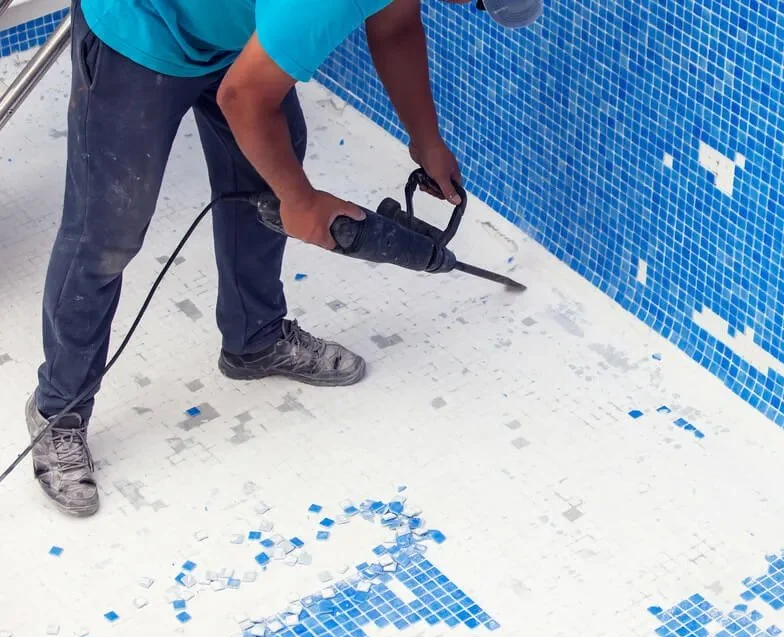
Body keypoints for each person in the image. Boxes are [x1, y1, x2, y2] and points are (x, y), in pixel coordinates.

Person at [25, 0, 542, 517]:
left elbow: (397, 24)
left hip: (227, 36)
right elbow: (244, 97)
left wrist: (425, 140)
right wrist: (301, 201)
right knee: (107, 232)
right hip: (140, 31)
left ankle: (254, 341)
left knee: (268, 169)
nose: (464, 6)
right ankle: (59, 410)